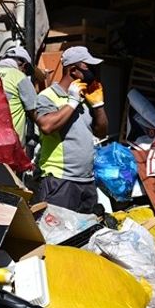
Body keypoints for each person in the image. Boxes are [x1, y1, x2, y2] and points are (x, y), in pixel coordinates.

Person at [33, 46, 108, 214]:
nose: (93, 72)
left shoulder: (86, 96)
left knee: (85, 235)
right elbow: (46, 126)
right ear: (73, 70)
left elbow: (101, 132)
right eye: (88, 67)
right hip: (60, 181)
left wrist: (98, 105)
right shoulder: (47, 96)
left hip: (86, 180)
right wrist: (72, 102)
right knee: (58, 236)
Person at [0, 44, 39, 144]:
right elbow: (36, 112)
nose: (25, 74)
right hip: (8, 147)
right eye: (26, 71)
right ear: (24, 66)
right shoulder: (18, 76)